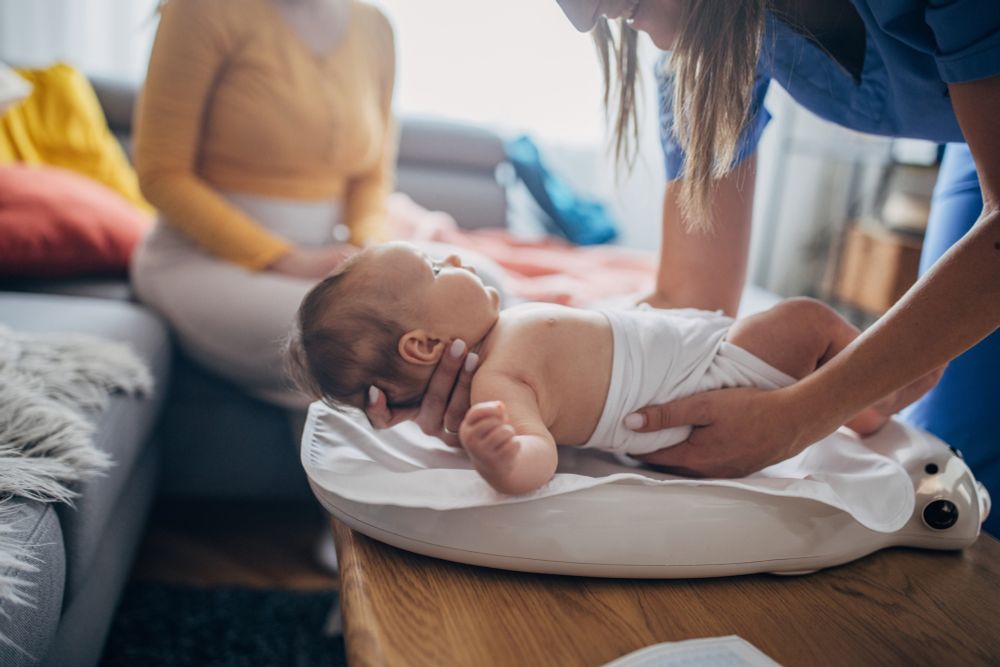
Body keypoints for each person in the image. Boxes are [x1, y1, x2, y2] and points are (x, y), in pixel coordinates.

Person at [368, 0, 998, 533]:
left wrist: (801, 417)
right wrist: (546, 393)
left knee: (964, 472)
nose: (595, 18)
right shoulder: (701, 48)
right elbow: (692, 301)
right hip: (974, 145)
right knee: (952, 455)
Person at [289, 242, 941, 494]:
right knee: (804, 322)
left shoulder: (502, 334)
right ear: (425, 347)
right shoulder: (496, 381)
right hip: (697, 386)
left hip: (691, 353)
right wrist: (500, 456)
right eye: (435, 270)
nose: (456, 258)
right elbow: (535, 454)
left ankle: (856, 405)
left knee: (796, 335)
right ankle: (877, 397)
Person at [130, 0, 501, 415]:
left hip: (333, 258)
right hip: (206, 261)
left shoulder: (374, 26)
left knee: (485, 284)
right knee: (352, 342)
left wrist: (365, 254)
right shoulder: (199, 10)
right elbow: (161, 175)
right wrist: (289, 259)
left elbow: (371, 175)